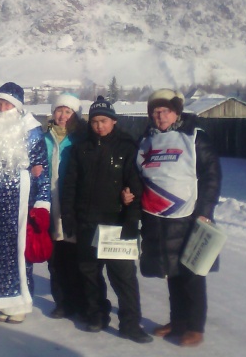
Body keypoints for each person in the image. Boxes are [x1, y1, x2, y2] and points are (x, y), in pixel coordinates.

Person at [131, 89, 221, 347]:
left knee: (192, 273)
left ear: (176, 112)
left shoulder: (195, 137)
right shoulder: (146, 140)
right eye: (155, 112)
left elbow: (212, 176)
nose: (160, 116)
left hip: (190, 217)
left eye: (165, 111)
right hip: (157, 218)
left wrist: (205, 211)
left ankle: (195, 327)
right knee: (170, 272)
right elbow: (138, 175)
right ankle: (178, 321)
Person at [61, 96, 152, 343]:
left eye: (104, 121)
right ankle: (97, 314)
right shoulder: (81, 148)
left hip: (116, 223)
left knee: (123, 277)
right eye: (94, 121)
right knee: (89, 273)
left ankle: (130, 324)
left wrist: (132, 221)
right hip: (87, 221)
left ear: (113, 121)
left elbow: (135, 188)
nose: (99, 126)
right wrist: (68, 216)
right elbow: (70, 185)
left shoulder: (127, 148)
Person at [0, 82, 50, 324]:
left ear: (17, 107)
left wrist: (42, 202)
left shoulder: (31, 130)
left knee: (18, 251)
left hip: (20, 200)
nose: (2, 108)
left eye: (7, 104)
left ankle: (20, 303)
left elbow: (42, 168)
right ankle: (2, 301)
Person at [43, 92, 88, 319]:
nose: (62, 116)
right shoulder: (44, 138)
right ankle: (61, 302)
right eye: (59, 110)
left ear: (75, 115)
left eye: (67, 111)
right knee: (55, 258)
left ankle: (79, 301)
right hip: (49, 203)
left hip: (72, 204)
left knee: (75, 257)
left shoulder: (81, 139)